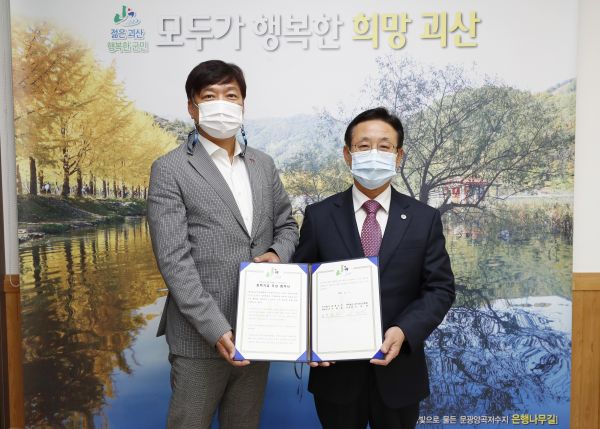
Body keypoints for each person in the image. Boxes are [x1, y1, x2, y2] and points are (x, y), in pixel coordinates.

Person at [147, 60, 298, 429]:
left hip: (259, 328)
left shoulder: (263, 164)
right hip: (199, 336)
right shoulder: (170, 169)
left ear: (243, 104)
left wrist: (277, 254)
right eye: (209, 96)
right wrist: (215, 328)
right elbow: (174, 260)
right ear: (192, 107)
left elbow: (287, 225)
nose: (222, 104)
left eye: (231, 95)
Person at [293, 107, 455, 429]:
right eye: (364, 146)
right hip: (335, 375)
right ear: (348, 154)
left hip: (400, 374)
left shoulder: (424, 219)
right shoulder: (319, 216)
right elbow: (301, 287)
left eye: (384, 146)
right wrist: (308, 338)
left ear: (399, 156)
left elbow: (440, 289)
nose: (374, 154)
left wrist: (405, 330)